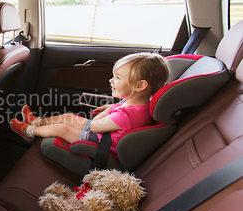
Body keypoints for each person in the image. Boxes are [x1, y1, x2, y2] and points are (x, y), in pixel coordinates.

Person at [10, 53, 169, 152]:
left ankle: (29, 131)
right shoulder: (141, 101)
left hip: (98, 141)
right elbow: (121, 108)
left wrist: (106, 113)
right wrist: (110, 107)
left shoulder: (128, 116)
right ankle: (36, 121)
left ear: (140, 86)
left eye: (118, 78)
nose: (111, 80)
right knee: (69, 117)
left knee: (62, 128)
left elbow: (94, 125)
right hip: (103, 132)